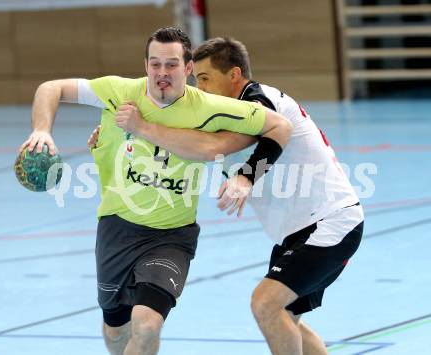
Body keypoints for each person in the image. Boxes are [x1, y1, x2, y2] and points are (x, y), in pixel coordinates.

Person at [19, 28, 293, 355]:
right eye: (155, 64)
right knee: (115, 330)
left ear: (188, 68)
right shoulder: (120, 91)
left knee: (147, 325)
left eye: (172, 65)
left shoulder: (208, 107)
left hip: (172, 236)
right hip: (116, 228)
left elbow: (279, 126)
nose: (162, 73)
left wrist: (246, 176)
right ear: (145, 64)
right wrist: (41, 129)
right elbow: (51, 88)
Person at [88, 37, 364, 355]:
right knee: (286, 318)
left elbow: (233, 140)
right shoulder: (220, 117)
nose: (199, 88)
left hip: (328, 223)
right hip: (299, 231)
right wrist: (112, 135)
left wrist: (246, 178)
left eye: (205, 79)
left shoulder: (257, 101)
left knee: (265, 304)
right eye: (196, 80)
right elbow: (180, 144)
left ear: (234, 75)